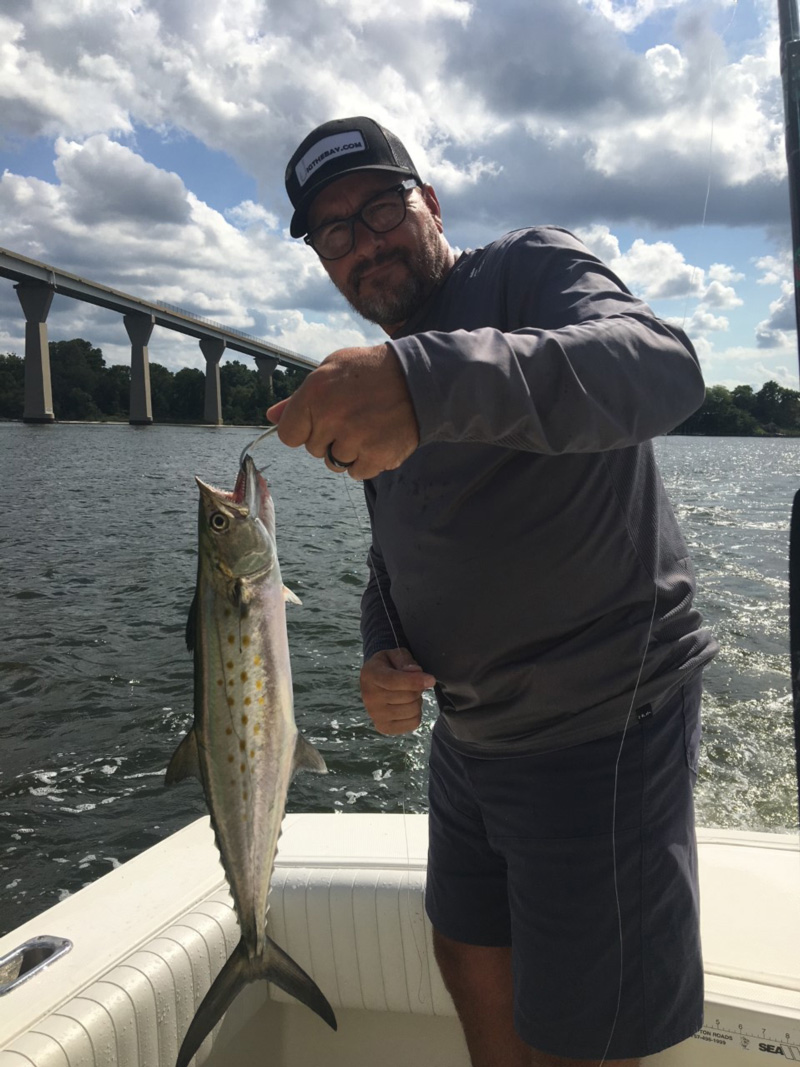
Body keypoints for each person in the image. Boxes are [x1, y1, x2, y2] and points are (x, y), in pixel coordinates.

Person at [267, 116, 718, 1067]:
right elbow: (396, 558)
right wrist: (380, 649)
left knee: (581, 1039)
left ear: (431, 204)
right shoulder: (381, 383)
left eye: (380, 208)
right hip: (470, 743)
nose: (363, 243)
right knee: (466, 954)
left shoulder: (526, 271)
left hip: (602, 729)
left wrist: (424, 383)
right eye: (334, 233)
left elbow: (663, 367)